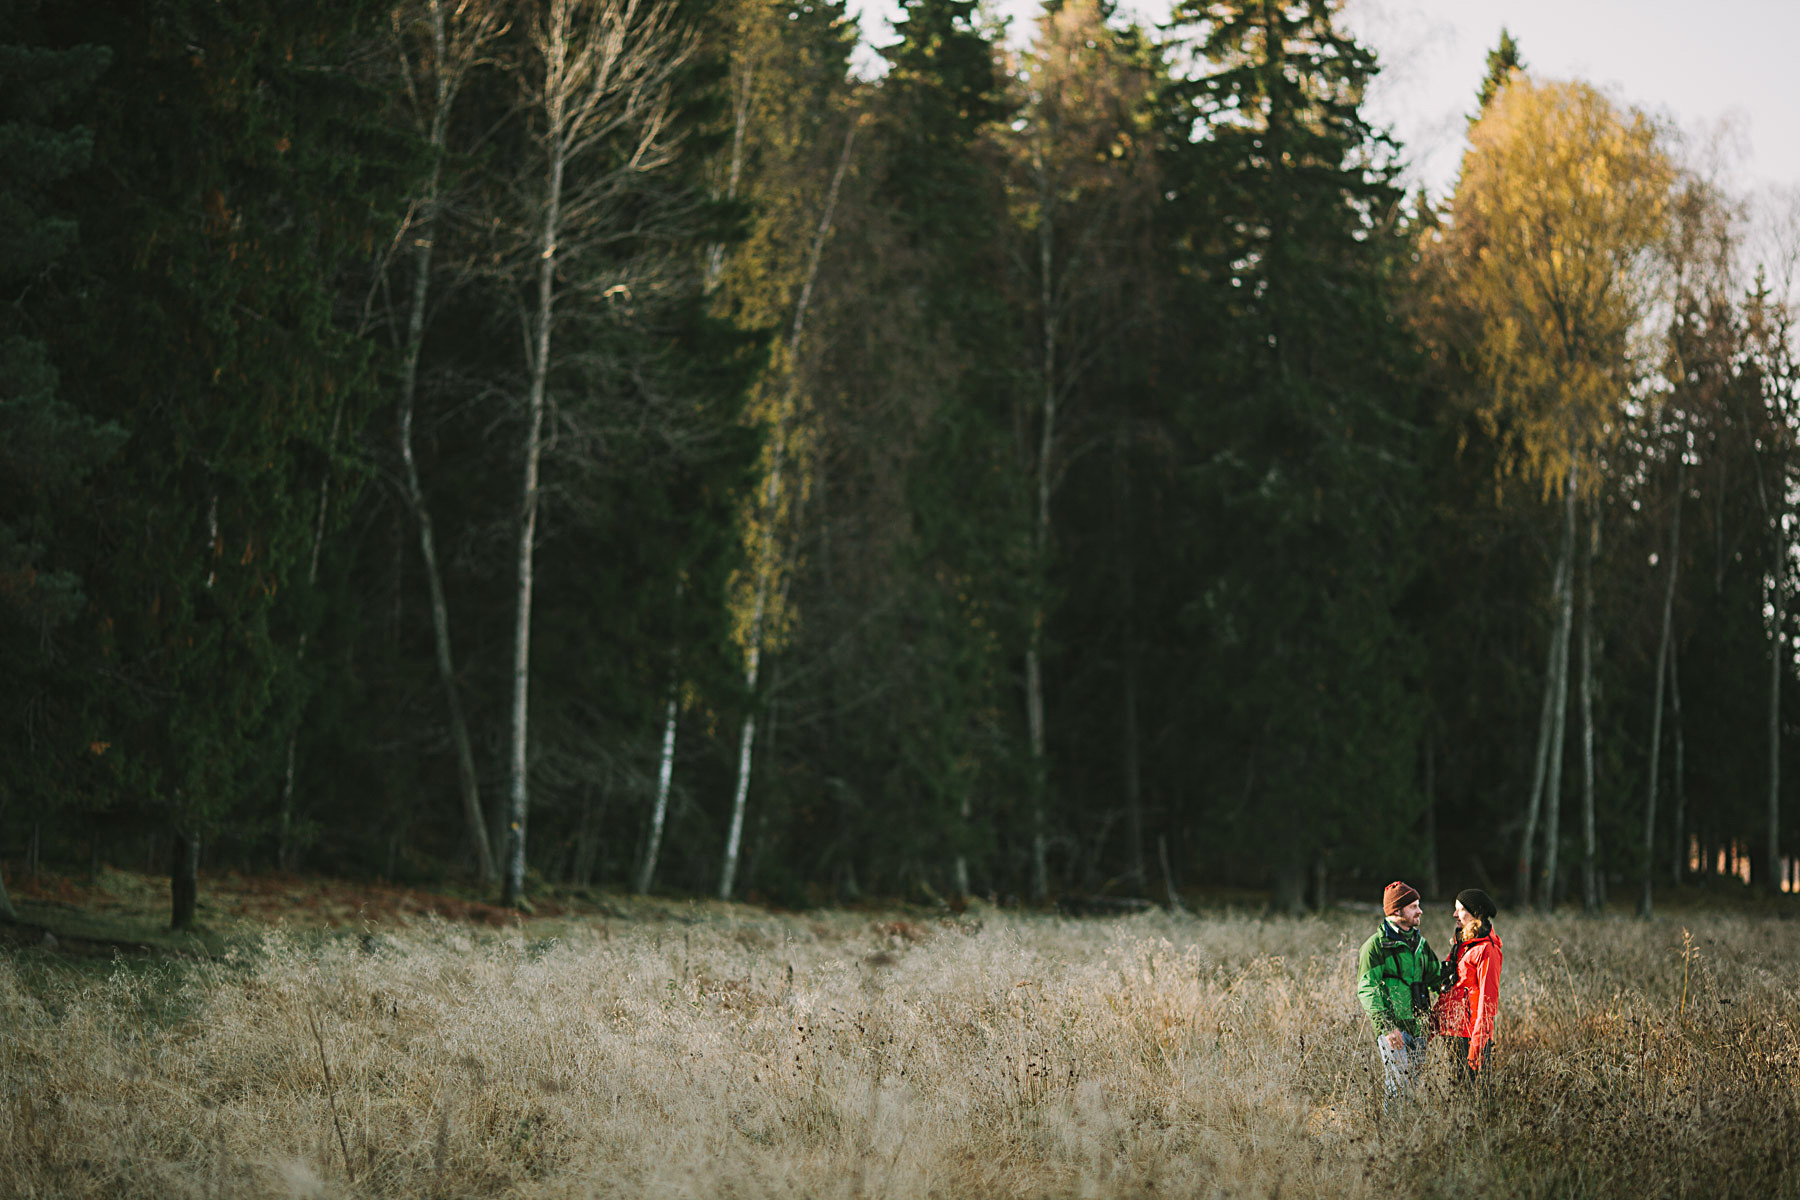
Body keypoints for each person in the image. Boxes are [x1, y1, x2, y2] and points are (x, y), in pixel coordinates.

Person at [1356, 881, 1451, 1104]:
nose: (1420, 911)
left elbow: (1435, 976)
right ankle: (1392, 1135)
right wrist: (1388, 1028)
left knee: (1412, 1089)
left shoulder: (1420, 943)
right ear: (1397, 911)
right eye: (1414, 906)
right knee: (1398, 1089)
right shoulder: (1375, 947)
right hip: (1394, 1030)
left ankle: (1406, 1135)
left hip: (1419, 1028)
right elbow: (1368, 990)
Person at [1433, 887, 1503, 1077]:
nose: (1454, 914)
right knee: (1458, 1099)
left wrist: (1477, 1045)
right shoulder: (1462, 945)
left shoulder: (1487, 949)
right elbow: (1451, 988)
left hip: (1470, 1037)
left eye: (1460, 909)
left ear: (1476, 913)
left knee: (1475, 1096)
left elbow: (1487, 1001)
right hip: (1453, 1033)